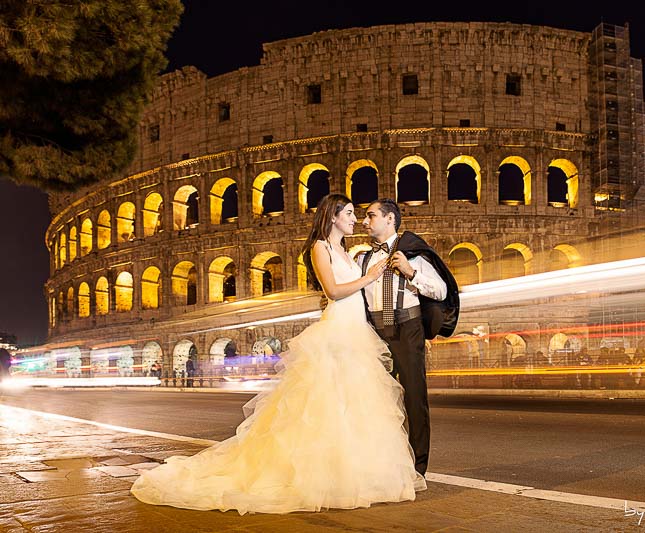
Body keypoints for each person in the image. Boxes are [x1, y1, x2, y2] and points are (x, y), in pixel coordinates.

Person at [132, 194, 419, 514]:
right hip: (337, 331)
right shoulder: (320, 247)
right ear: (333, 216)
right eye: (350, 213)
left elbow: (360, 290)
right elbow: (334, 292)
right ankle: (323, 477)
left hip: (356, 330)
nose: (356, 220)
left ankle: (357, 473)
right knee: (325, 406)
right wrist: (371, 276)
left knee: (354, 406)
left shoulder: (347, 251)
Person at [360, 198, 458, 481]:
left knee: (414, 397)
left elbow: (440, 291)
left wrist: (411, 272)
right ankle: (384, 461)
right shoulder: (363, 259)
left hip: (407, 327)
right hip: (376, 332)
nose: (365, 222)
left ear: (390, 219)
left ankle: (417, 467)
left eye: (371, 216)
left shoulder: (413, 255)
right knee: (377, 399)